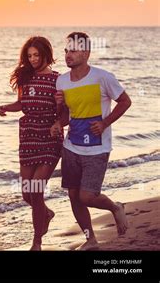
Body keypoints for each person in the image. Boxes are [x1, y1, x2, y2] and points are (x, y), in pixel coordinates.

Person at [50, 32, 131, 251]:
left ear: (86, 53)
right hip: (71, 147)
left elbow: (125, 101)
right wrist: (59, 121)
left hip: (97, 148)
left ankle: (115, 207)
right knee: (74, 197)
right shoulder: (62, 80)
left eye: (74, 50)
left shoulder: (103, 77)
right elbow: (66, 116)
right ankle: (91, 239)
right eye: (66, 50)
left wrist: (105, 123)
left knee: (87, 196)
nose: (68, 55)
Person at [0, 36, 63, 250]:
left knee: (36, 189)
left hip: (49, 139)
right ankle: (46, 213)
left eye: (37, 55)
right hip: (27, 137)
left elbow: (65, 113)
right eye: (29, 55)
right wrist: (6, 107)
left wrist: (58, 122)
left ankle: (37, 242)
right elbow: (21, 103)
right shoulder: (25, 77)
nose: (33, 59)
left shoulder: (58, 79)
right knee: (27, 193)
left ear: (46, 54)